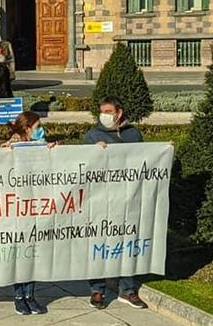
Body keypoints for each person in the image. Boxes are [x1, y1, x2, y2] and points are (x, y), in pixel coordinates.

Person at [83, 96, 147, 310]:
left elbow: (144, 161)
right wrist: (94, 153)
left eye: (108, 111)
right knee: (99, 244)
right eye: (102, 111)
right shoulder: (93, 135)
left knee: (127, 243)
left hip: (128, 198)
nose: (104, 115)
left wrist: (163, 151)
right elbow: (81, 165)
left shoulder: (133, 134)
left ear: (119, 113)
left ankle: (127, 291)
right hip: (101, 200)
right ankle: (97, 290)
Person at [0, 111, 54, 315]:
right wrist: (4, 151)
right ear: (26, 127)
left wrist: (51, 150)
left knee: (33, 253)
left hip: (35, 206)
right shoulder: (12, 144)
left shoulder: (40, 144)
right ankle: (19, 296)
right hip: (16, 208)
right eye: (37, 126)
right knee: (20, 254)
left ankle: (30, 295)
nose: (41, 130)